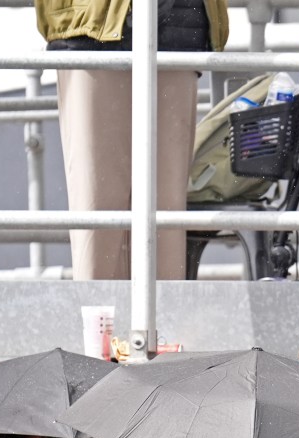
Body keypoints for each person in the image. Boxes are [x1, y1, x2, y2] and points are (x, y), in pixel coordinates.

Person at [35, 0, 229, 280]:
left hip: (175, 29)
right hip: (94, 28)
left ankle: (156, 317)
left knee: (162, 217)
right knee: (102, 217)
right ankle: (102, 319)